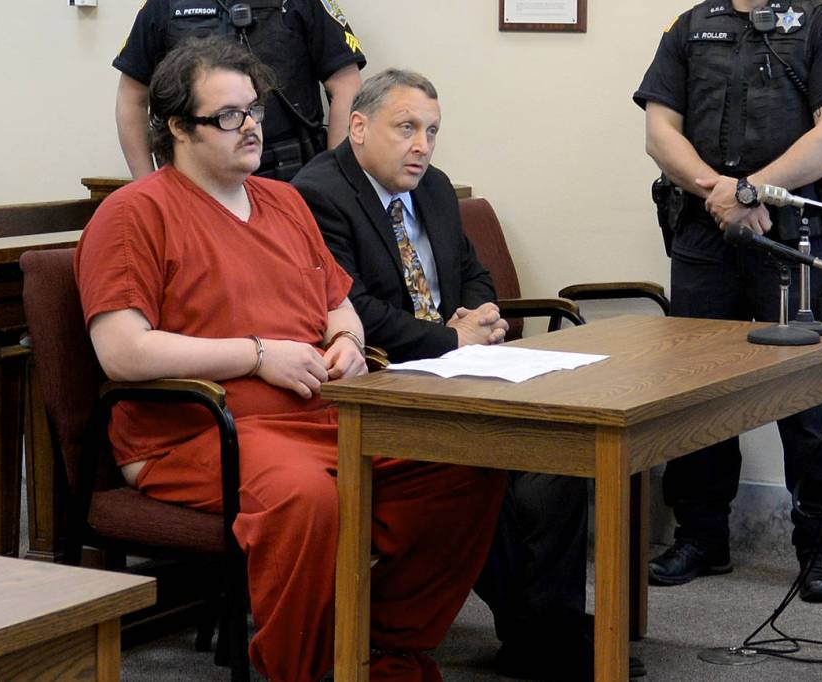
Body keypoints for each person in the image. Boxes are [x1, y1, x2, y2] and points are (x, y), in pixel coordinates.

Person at [76, 37, 505, 682]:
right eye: (229, 115)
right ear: (178, 127)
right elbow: (122, 351)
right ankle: (305, 669)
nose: (251, 126)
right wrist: (255, 357)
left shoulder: (283, 202)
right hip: (199, 432)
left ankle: (380, 646)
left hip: (318, 414)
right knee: (307, 498)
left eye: (254, 109)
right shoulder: (134, 214)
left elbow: (340, 305)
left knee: (467, 460)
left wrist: (348, 343)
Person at [294, 68, 644, 680]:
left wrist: (480, 315)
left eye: (432, 131)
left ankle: (544, 625)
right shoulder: (318, 194)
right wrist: (449, 339)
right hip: (384, 382)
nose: (422, 146)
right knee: (487, 464)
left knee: (560, 457)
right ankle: (539, 635)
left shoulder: (432, 187)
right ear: (358, 127)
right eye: (406, 128)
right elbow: (353, 307)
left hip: (461, 367)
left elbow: (471, 271)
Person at [634, 0, 822, 602]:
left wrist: (752, 190)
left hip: (796, 233)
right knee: (697, 389)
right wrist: (723, 194)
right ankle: (700, 537)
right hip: (704, 231)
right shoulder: (690, 25)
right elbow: (660, 132)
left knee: (812, 396)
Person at [113, 0, 365, 180]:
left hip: (292, 175)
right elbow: (132, 96)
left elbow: (347, 86)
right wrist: (145, 183)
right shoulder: (165, 5)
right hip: (195, 182)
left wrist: (334, 180)